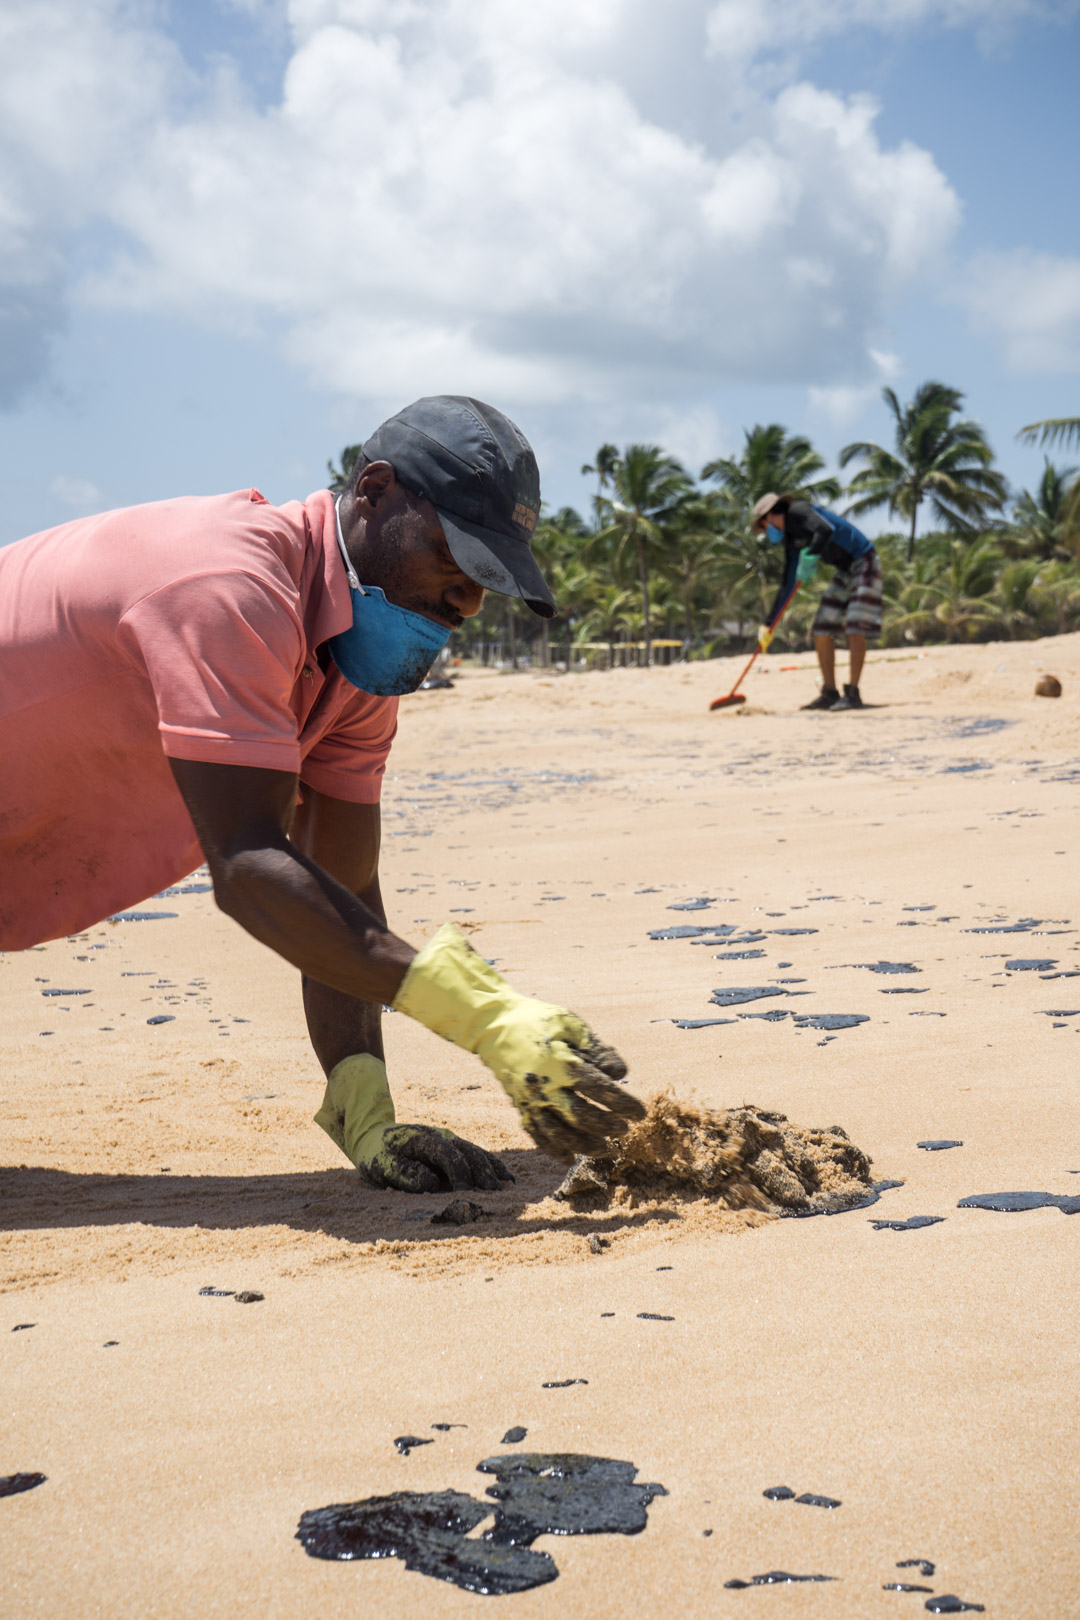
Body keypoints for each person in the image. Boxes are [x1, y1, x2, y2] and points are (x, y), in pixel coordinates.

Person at [0, 395, 644, 1193]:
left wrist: (364, 1107)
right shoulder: (228, 584)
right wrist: (484, 1015)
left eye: (488, 580)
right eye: (455, 556)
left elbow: (341, 887)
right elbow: (249, 866)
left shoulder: (354, 667)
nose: (471, 602)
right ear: (374, 491)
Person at [751, 492, 882, 710]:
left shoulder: (799, 510)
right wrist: (769, 623)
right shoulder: (791, 539)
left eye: (764, 527)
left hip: (864, 560)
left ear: (770, 516)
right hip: (844, 570)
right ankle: (829, 692)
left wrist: (811, 554)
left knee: (855, 627)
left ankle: (853, 693)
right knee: (821, 629)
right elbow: (787, 583)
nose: (767, 532)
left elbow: (825, 529)